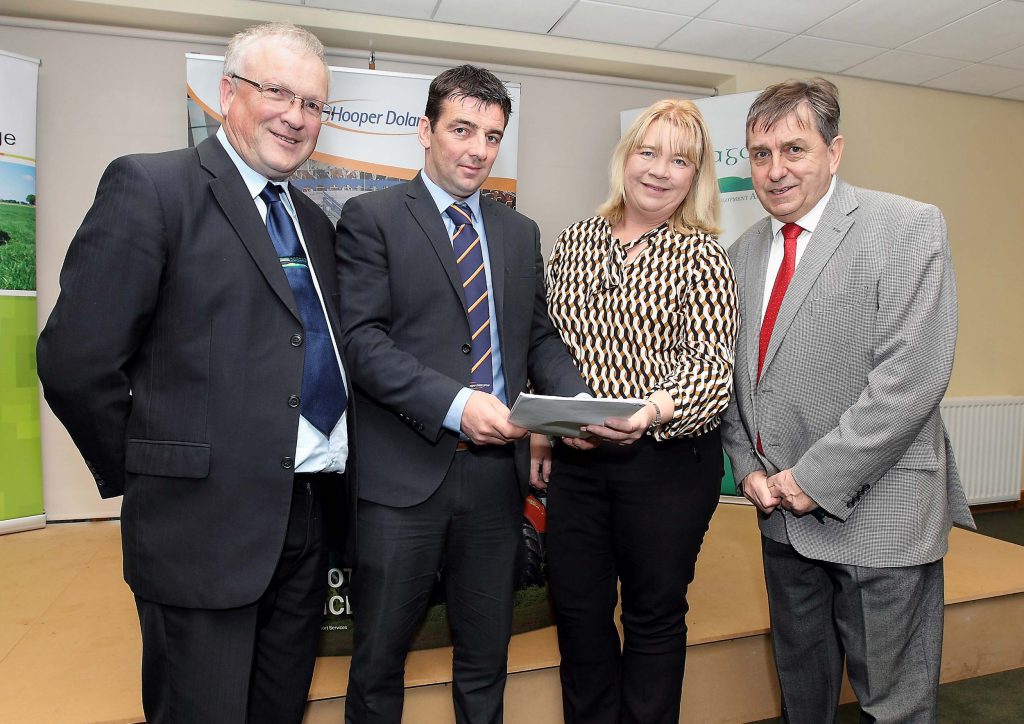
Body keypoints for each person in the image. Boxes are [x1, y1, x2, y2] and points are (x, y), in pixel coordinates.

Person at [36, 22, 353, 723]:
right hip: (197, 530)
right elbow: (75, 361)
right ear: (226, 93)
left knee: (279, 706)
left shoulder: (314, 224)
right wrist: (153, 466)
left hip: (302, 518)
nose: (296, 117)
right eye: (278, 92)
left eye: (313, 103)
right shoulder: (152, 186)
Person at [335, 64, 596, 724]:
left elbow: (536, 337)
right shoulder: (372, 219)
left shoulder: (518, 233)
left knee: (486, 661)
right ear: (425, 131)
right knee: (378, 663)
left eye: (492, 135)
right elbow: (362, 344)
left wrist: (577, 401)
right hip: (400, 483)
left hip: (494, 485)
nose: (478, 149)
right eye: (462, 129)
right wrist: (456, 404)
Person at [719, 78, 975, 723]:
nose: (775, 171)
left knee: (893, 703)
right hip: (780, 513)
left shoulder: (907, 226)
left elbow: (911, 378)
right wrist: (747, 467)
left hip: (879, 509)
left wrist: (814, 477)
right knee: (804, 695)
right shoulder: (740, 252)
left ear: (834, 152)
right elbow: (727, 375)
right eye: (760, 154)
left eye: (794, 150)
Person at [533, 99, 737, 724]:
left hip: (668, 465)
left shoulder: (704, 256)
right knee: (579, 613)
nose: (659, 170)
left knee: (652, 613)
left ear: (695, 174)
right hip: (580, 464)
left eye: (680, 160)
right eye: (648, 152)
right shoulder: (573, 241)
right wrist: (544, 435)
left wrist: (650, 411)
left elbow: (710, 370)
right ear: (625, 158)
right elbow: (547, 346)